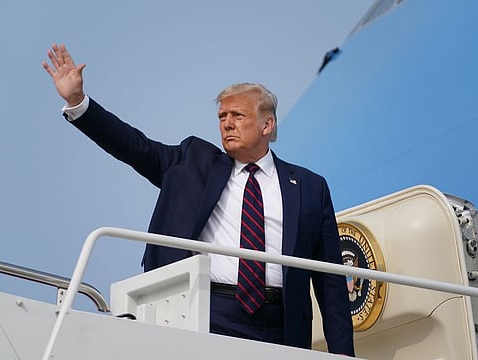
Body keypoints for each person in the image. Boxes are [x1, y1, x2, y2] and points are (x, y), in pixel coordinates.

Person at [43, 43, 355, 356]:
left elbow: (331, 284)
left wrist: (344, 355)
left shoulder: (310, 186)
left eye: (237, 115)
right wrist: (78, 102)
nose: (227, 123)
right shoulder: (192, 162)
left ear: (267, 124)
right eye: (222, 116)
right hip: (209, 312)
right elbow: (135, 147)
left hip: (283, 324)